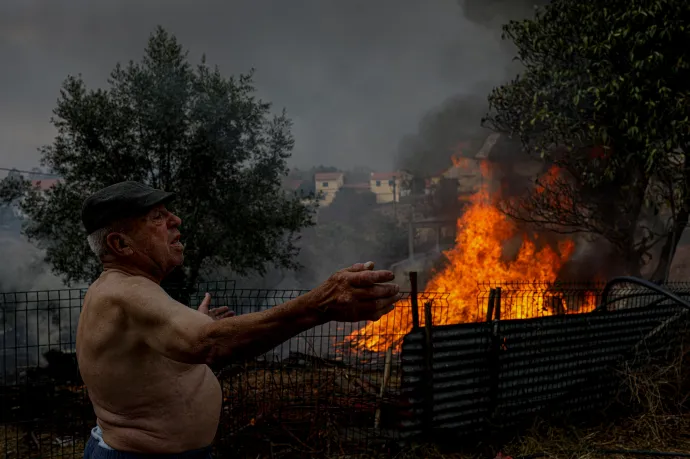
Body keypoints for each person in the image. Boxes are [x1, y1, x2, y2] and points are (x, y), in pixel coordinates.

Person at [76, 181, 401, 459]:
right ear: (120, 244)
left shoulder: (127, 291)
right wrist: (320, 304)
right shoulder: (127, 292)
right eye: (158, 218)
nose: (176, 220)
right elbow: (210, 343)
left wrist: (196, 328)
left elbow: (170, 356)